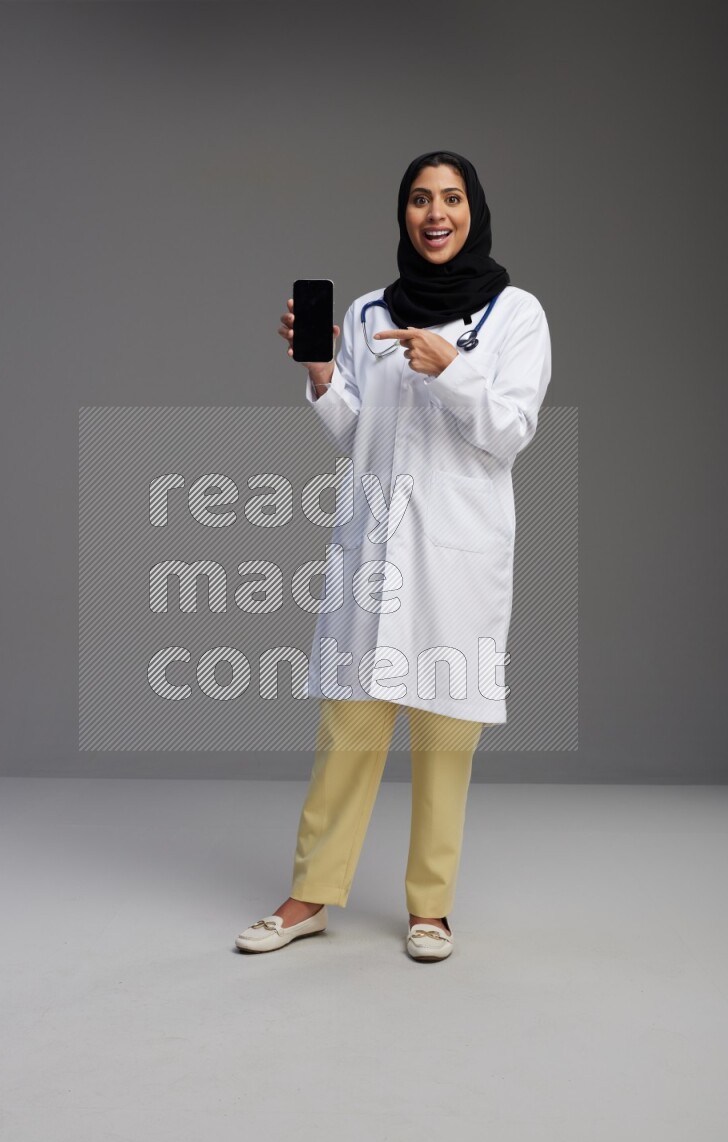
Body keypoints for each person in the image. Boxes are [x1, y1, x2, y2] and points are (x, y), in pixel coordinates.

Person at [235, 150, 552, 962]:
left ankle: (431, 909)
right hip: (374, 549)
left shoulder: (516, 315)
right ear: (403, 214)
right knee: (348, 729)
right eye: (419, 199)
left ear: (473, 210)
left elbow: (510, 433)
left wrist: (451, 373)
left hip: (457, 554)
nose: (434, 213)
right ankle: (310, 896)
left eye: (450, 198)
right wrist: (319, 373)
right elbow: (356, 435)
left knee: (447, 738)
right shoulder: (372, 311)